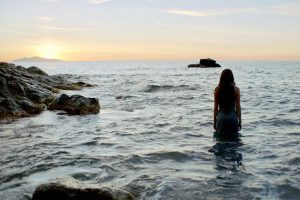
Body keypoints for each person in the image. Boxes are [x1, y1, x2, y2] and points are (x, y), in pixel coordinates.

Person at [213, 69, 241, 137]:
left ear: (221, 78)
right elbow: (238, 107)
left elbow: (215, 108)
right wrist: (240, 121)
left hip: (221, 119)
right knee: (234, 144)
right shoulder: (236, 90)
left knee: (220, 144)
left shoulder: (217, 90)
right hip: (233, 118)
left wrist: (214, 122)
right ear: (232, 78)